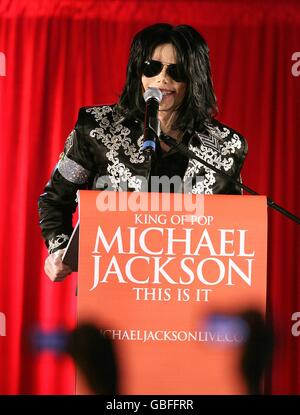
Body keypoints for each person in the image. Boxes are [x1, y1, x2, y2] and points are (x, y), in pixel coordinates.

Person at [38, 23, 248, 282]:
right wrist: (59, 249)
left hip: (193, 291)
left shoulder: (227, 145)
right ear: (138, 71)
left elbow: (236, 229)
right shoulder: (96, 127)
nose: (162, 79)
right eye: (152, 67)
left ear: (196, 77)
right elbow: (55, 199)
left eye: (177, 71)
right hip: (112, 287)